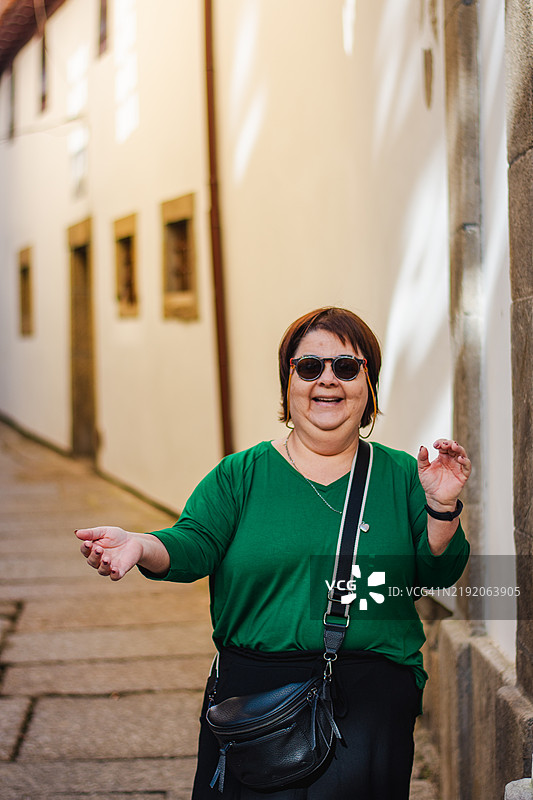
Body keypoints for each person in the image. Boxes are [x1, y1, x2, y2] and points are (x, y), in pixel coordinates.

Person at [76, 307, 470, 799]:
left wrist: (442, 505)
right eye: (309, 367)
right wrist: (140, 545)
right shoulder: (241, 475)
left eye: (347, 367)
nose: (327, 379)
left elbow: (438, 571)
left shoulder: (402, 476)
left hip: (369, 702)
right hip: (256, 703)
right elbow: (193, 543)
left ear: (369, 385)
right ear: (288, 381)